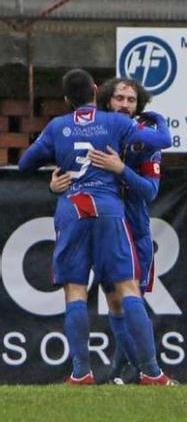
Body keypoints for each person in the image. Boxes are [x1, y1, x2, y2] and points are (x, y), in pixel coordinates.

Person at [18, 69, 173, 384]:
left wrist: (119, 169)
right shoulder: (115, 125)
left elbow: (150, 190)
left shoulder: (64, 126)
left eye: (131, 99)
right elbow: (164, 137)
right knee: (120, 296)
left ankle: (103, 373)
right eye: (120, 97)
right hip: (109, 214)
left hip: (114, 220)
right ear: (99, 93)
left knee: (97, 293)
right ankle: (143, 374)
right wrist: (54, 183)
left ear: (65, 99)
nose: (126, 104)